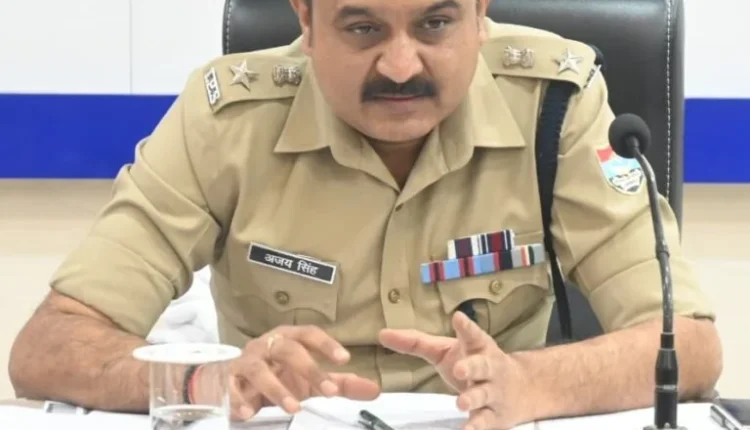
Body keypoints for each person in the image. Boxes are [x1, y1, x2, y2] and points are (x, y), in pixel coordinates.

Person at [9, 0, 723, 429]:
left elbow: (687, 346)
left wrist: (530, 383)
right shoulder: (224, 120)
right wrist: (208, 383)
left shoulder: (555, 104)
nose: (402, 65)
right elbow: (49, 349)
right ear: (306, 18)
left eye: (436, 23)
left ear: (480, 13)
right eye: (362, 28)